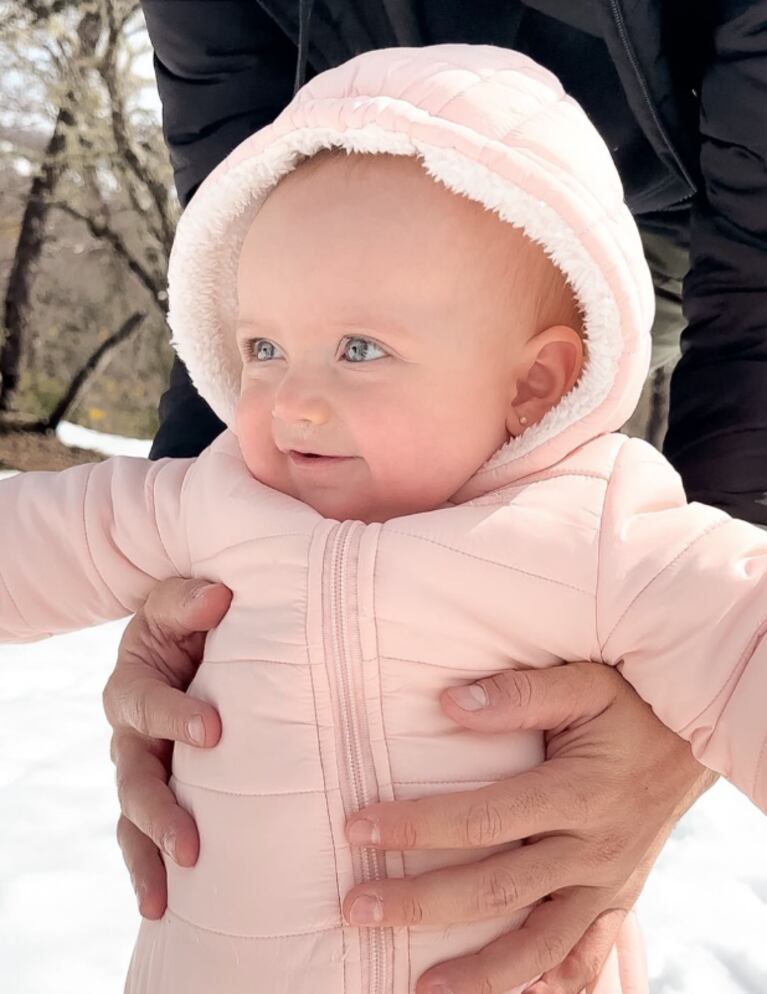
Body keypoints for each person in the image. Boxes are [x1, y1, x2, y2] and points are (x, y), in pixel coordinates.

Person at [2, 44, 766, 994]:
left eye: (359, 349)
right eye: (264, 347)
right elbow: (29, 541)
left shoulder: (598, 530)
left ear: (532, 384)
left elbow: (747, 638)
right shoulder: (212, 499)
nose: (292, 403)